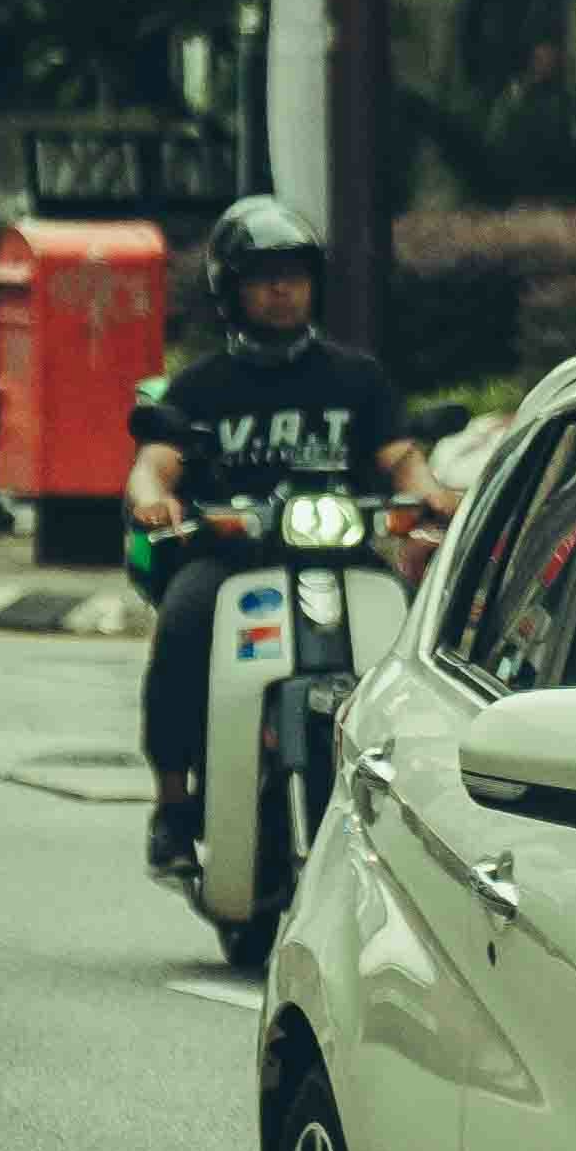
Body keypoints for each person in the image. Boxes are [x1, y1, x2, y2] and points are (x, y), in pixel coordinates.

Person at [130, 198, 434, 882]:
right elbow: (156, 463)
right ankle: (173, 805)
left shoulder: (356, 377)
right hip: (232, 560)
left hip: (344, 554)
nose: (282, 290)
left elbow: (400, 458)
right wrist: (153, 498)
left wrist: (433, 491)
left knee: (414, 636)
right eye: (264, 277)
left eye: (294, 276)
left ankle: (419, 793)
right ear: (229, 289)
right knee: (181, 625)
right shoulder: (202, 386)